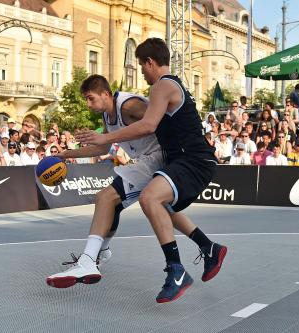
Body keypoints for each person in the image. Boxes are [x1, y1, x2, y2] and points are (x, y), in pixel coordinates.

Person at [75, 40, 227, 303]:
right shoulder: (169, 85)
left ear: (149, 62)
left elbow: (147, 125)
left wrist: (105, 139)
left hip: (191, 160)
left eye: (141, 67)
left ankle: (176, 270)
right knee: (160, 206)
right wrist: (73, 152)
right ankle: (209, 247)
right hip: (183, 160)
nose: (142, 73)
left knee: (149, 198)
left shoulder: (162, 86)